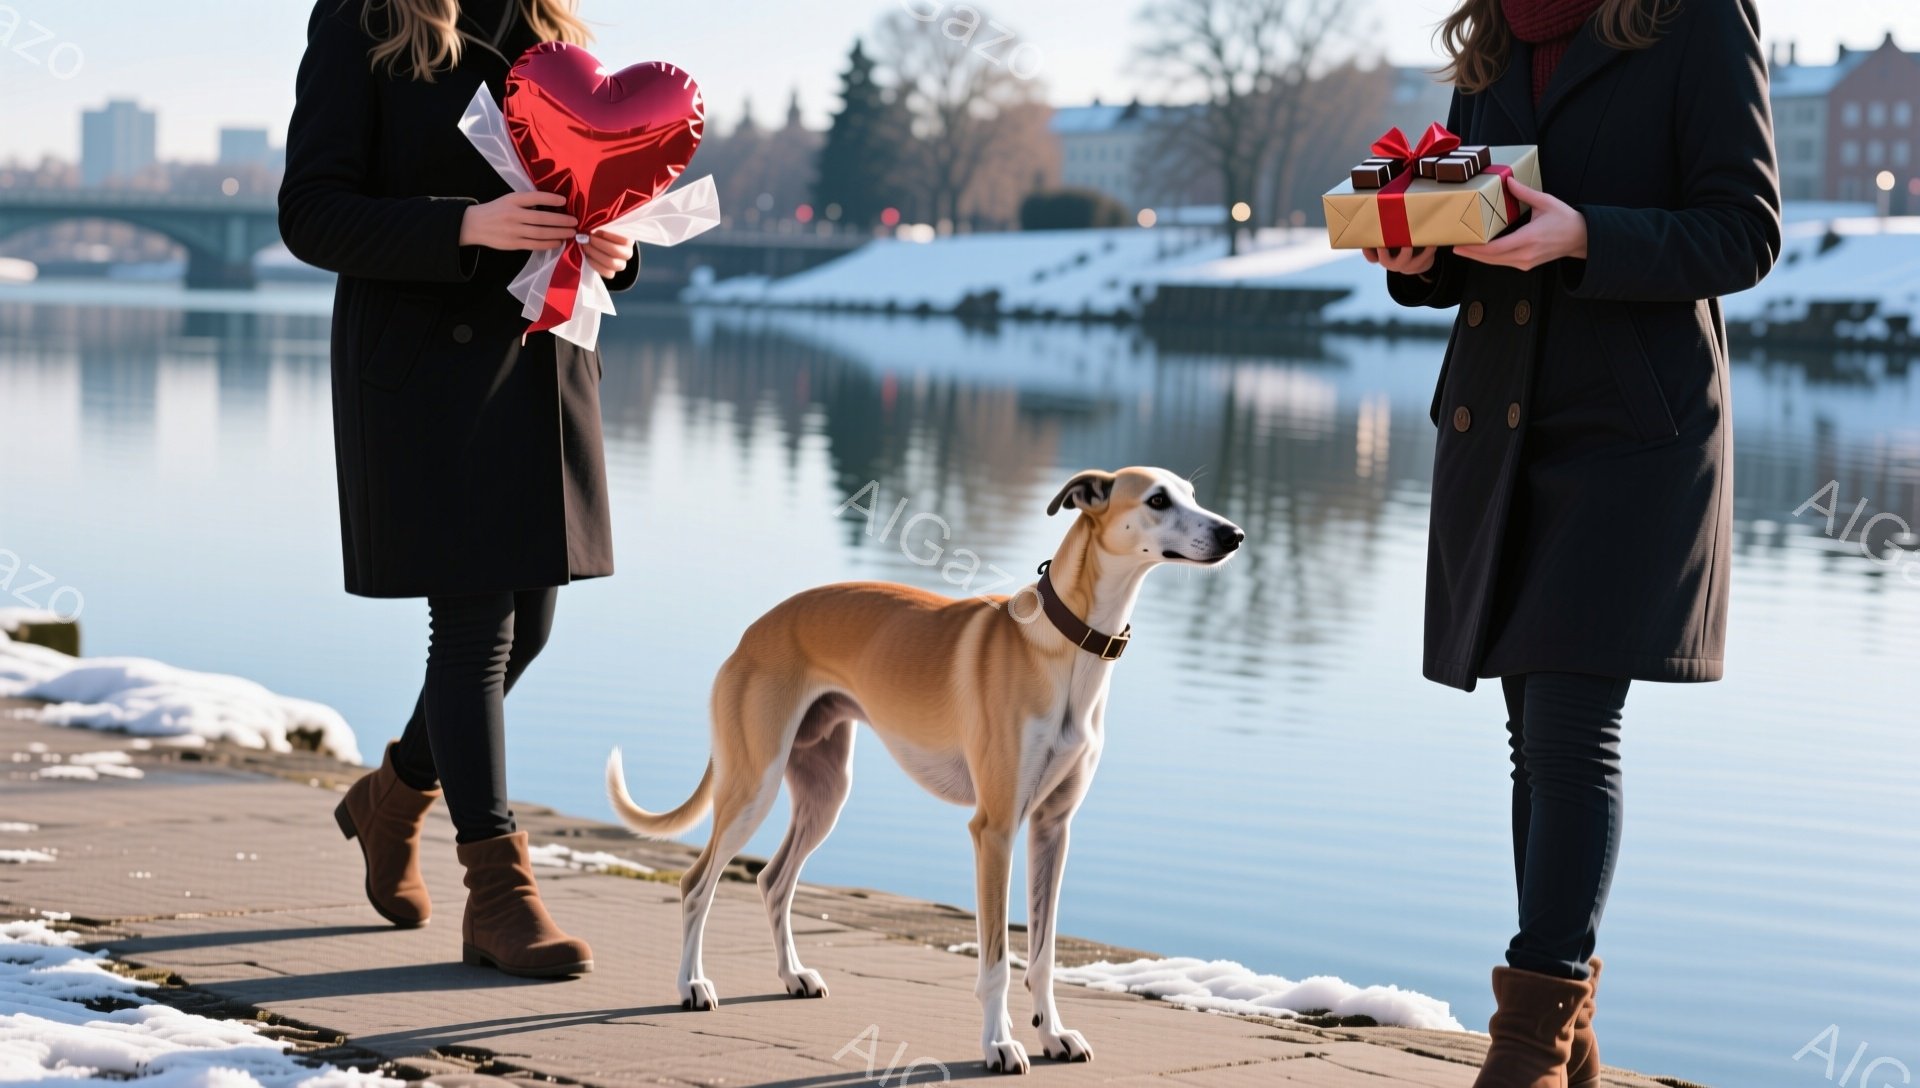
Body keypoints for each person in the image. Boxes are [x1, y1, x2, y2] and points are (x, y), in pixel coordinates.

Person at [1366, 0, 1779, 1082]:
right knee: (1531, 733)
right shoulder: (1498, 31)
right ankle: (1570, 1028)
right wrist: (1419, 259)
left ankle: (1525, 1040)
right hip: (1501, 420)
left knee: (1568, 723)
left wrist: (1588, 230)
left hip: (1634, 435)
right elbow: (1477, 229)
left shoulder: (1695, 17)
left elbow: (1744, 230)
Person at [279, 0, 642, 980]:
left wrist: (616, 245)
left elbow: (596, 188)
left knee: (531, 628)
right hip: (426, 373)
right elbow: (309, 210)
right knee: (475, 626)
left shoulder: (552, 26)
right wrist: (467, 225)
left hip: (543, 361)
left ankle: (390, 798)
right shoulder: (365, 17)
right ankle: (498, 892)